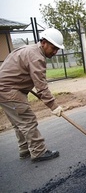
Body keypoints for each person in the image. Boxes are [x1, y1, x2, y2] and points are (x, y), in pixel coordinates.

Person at [0, 28, 64, 162]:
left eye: (57, 49)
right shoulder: (36, 57)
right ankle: (38, 151)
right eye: (53, 48)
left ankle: (25, 149)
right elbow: (41, 85)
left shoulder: (29, 50)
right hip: (9, 90)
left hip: (6, 89)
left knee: (19, 122)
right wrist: (54, 106)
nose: (55, 52)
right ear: (44, 43)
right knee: (27, 120)